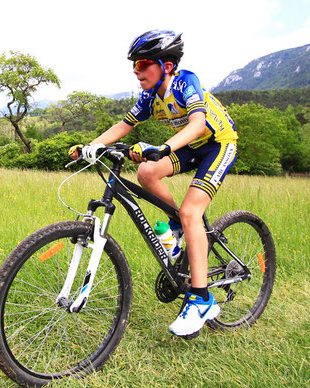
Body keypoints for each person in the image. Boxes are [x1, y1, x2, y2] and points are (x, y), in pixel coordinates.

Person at [69, 30, 238, 338]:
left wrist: (164, 148)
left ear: (167, 66)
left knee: (191, 213)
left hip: (218, 143)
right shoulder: (149, 97)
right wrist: (90, 146)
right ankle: (179, 225)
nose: (136, 71)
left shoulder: (186, 82)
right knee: (146, 172)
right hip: (189, 147)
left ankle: (201, 299)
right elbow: (123, 125)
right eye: (134, 65)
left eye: (143, 64)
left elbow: (198, 124)